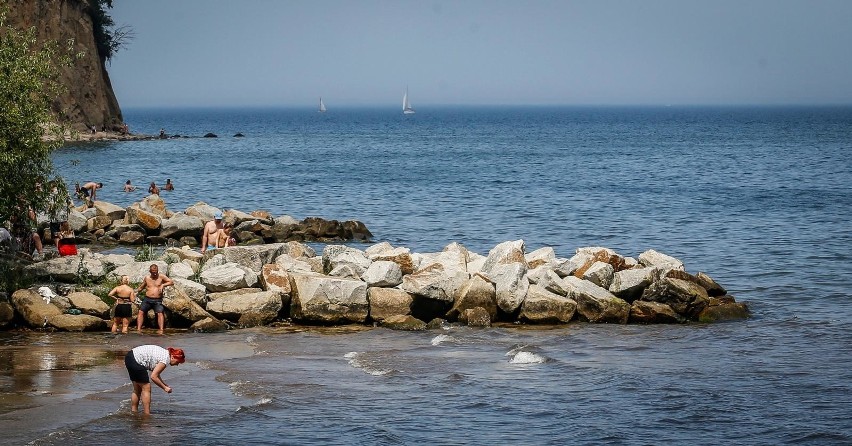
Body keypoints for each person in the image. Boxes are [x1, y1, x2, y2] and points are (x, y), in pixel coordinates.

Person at [124, 344, 185, 415]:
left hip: (130, 357)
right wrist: (165, 388)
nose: (177, 364)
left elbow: (156, 373)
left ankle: (134, 411)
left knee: (137, 389)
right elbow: (153, 377)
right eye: (177, 362)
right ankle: (147, 414)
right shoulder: (166, 359)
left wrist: (164, 384)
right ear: (173, 357)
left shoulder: (164, 354)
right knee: (147, 388)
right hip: (137, 361)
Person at [136, 264, 174, 334]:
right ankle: (138, 329)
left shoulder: (161, 276)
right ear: (150, 271)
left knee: (160, 313)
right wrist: (134, 293)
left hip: (157, 300)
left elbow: (171, 282)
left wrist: (163, 285)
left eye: (156, 271)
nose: (155, 273)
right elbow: (141, 287)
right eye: (153, 272)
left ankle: (161, 330)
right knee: (141, 312)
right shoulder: (147, 278)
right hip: (147, 299)